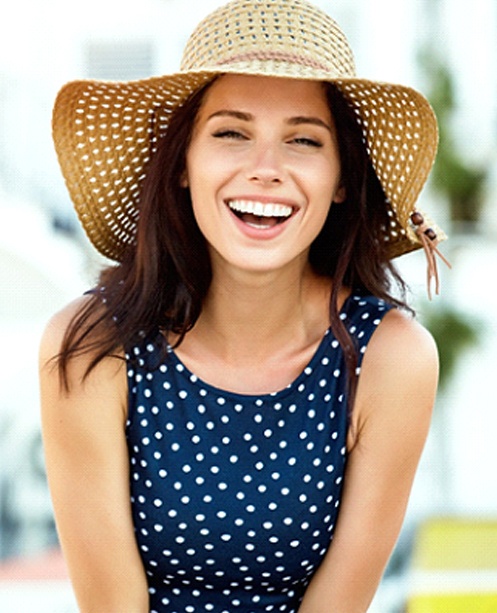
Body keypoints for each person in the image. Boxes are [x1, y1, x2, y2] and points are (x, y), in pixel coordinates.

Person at [39, 0, 447, 611]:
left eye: (303, 141)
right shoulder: (93, 344)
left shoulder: (390, 359)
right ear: (183, 163)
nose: (266, 170)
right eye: (231, 133)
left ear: (340, 179)